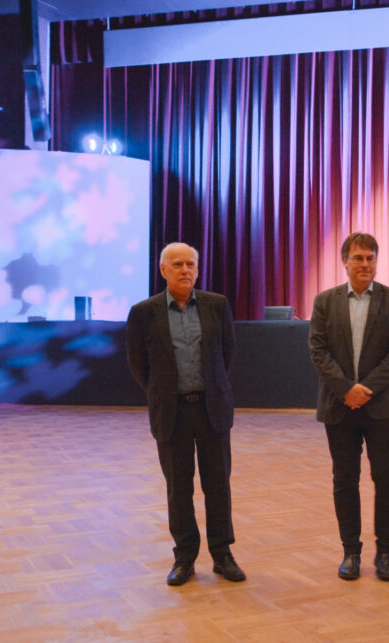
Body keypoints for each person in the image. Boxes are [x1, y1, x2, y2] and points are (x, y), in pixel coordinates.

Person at [126, 242, 245, 586]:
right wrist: (163, 392)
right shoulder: (144, 312)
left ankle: (222, 555)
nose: (185, 270)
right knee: (178, 489)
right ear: (163, 270)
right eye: (177, 264)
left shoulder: (217, 305)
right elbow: (138, 364)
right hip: (172, 412)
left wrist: (212, 386)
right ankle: (184, 557)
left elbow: (227, 354)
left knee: (217, 486)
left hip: (211, 409)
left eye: (191, 264)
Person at [308, 232, 389, 581]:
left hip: (381, 406)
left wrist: (365, 390)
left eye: (370, 258)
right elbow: (318, 351)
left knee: (387, 480)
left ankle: (385, 553)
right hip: (339, 407)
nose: (365, 264)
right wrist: (345, 389)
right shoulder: (325, 301)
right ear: (345, 262)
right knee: (344, 481)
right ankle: (350, 552)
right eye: (358, 258)